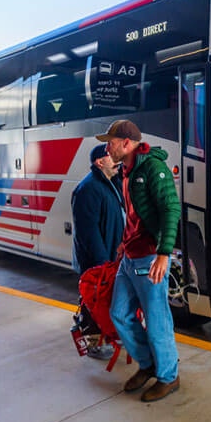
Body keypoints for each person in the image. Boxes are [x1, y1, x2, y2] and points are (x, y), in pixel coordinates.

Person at [100, 120, 182, 402]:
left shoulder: (152, 168)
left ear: (126, 143)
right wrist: (124, 243)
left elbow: (171, 209)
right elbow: (134, 215)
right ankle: (148, 364)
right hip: (131, 255)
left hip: (150, 257)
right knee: (119, 313)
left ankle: (169, 377)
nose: (106, 147)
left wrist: (164, 252)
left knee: (157, 319)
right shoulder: (126, 170)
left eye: (110, 142)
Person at [71, 144, 125, 360]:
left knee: (107, 300)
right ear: (99, 162)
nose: (117, 161)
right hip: (96, 261)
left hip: (112, 255)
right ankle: (93, 342)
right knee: (92, 302)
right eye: (112, 157)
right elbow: (88, 232)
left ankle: (110, 335)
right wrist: (102, 263)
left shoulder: (110, 183)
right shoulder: (88, 189)